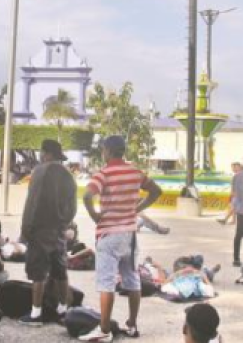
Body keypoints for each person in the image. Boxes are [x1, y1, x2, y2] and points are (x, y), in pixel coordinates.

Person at [80, 135, 162, 342]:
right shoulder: (135, 172)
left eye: (103, 150)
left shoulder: (103, 174)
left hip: (109, 235)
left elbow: (87, 196)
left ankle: (104, 330)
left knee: (106, 283)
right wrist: (138, 208)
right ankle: (132, 325)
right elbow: (156, 191)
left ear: (107, 151)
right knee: (132, 280)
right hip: (130, 235)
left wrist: (94, 216)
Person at [19, 139, 78, 326]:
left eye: (41, 152)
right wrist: (63, 223)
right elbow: (73, 207)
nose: (41, 156)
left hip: (40, 229)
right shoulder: (68, 175)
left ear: (47, 153)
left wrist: (25, 227)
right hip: (58, 230)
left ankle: (36, 314)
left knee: (38, 272)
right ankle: (63, 310)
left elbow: (32, 202)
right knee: (60, 271)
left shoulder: (40, 171)